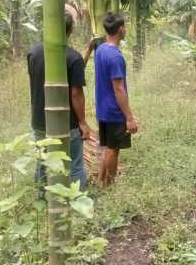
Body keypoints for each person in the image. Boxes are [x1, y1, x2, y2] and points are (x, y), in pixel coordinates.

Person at [28, 12, 93, 191]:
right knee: (74, 165)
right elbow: (76, 93)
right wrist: (83, 123)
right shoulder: (73, 57)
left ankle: (42, 202)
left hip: (40, 121)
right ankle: (78, 201)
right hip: (68, 124)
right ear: (70, 29)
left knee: (43, 163)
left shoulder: (33, 53)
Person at [95, 12, 138, 185]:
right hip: (114, 112)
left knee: (109, 147)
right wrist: (129, 117)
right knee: (114, 150)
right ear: (121, 29)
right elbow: (119, 88)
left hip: (103, 109)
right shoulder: (115, 56)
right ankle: (110, 186)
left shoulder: (101, 49)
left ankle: (101, 181)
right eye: (125, 27)